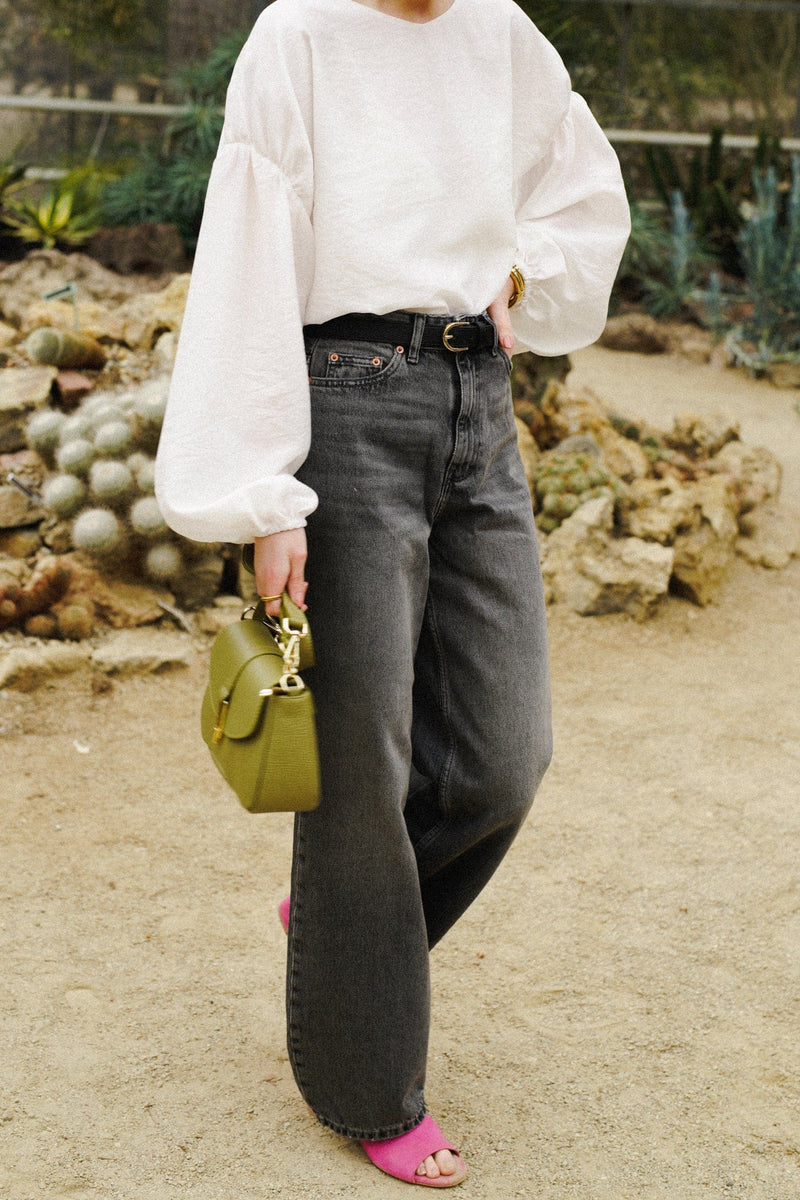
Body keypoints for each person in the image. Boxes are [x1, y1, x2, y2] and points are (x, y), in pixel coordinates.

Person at [155, 0, 630, 1185]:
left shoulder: (500, 31)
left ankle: (339, 922)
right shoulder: (299, 34)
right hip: (346, 401)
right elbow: (250, 257)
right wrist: (265, 492)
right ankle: (371, 1089)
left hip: (480, 402)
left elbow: (575, 186)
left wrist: (526, 271)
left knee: (504, 757)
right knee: (359, 771)